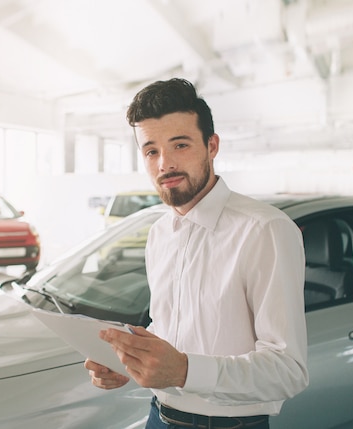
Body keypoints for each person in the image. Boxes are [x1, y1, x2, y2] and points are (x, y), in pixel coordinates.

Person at [84, 78, 308, 429]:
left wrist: (186, 371)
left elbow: (288, 371)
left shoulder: (265, 230)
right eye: (151, 151)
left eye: (181, 145)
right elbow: (172, 327)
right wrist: (130, 360)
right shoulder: (159, 234)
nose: (164, 164)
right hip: (158, 417)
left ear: (212, 145)